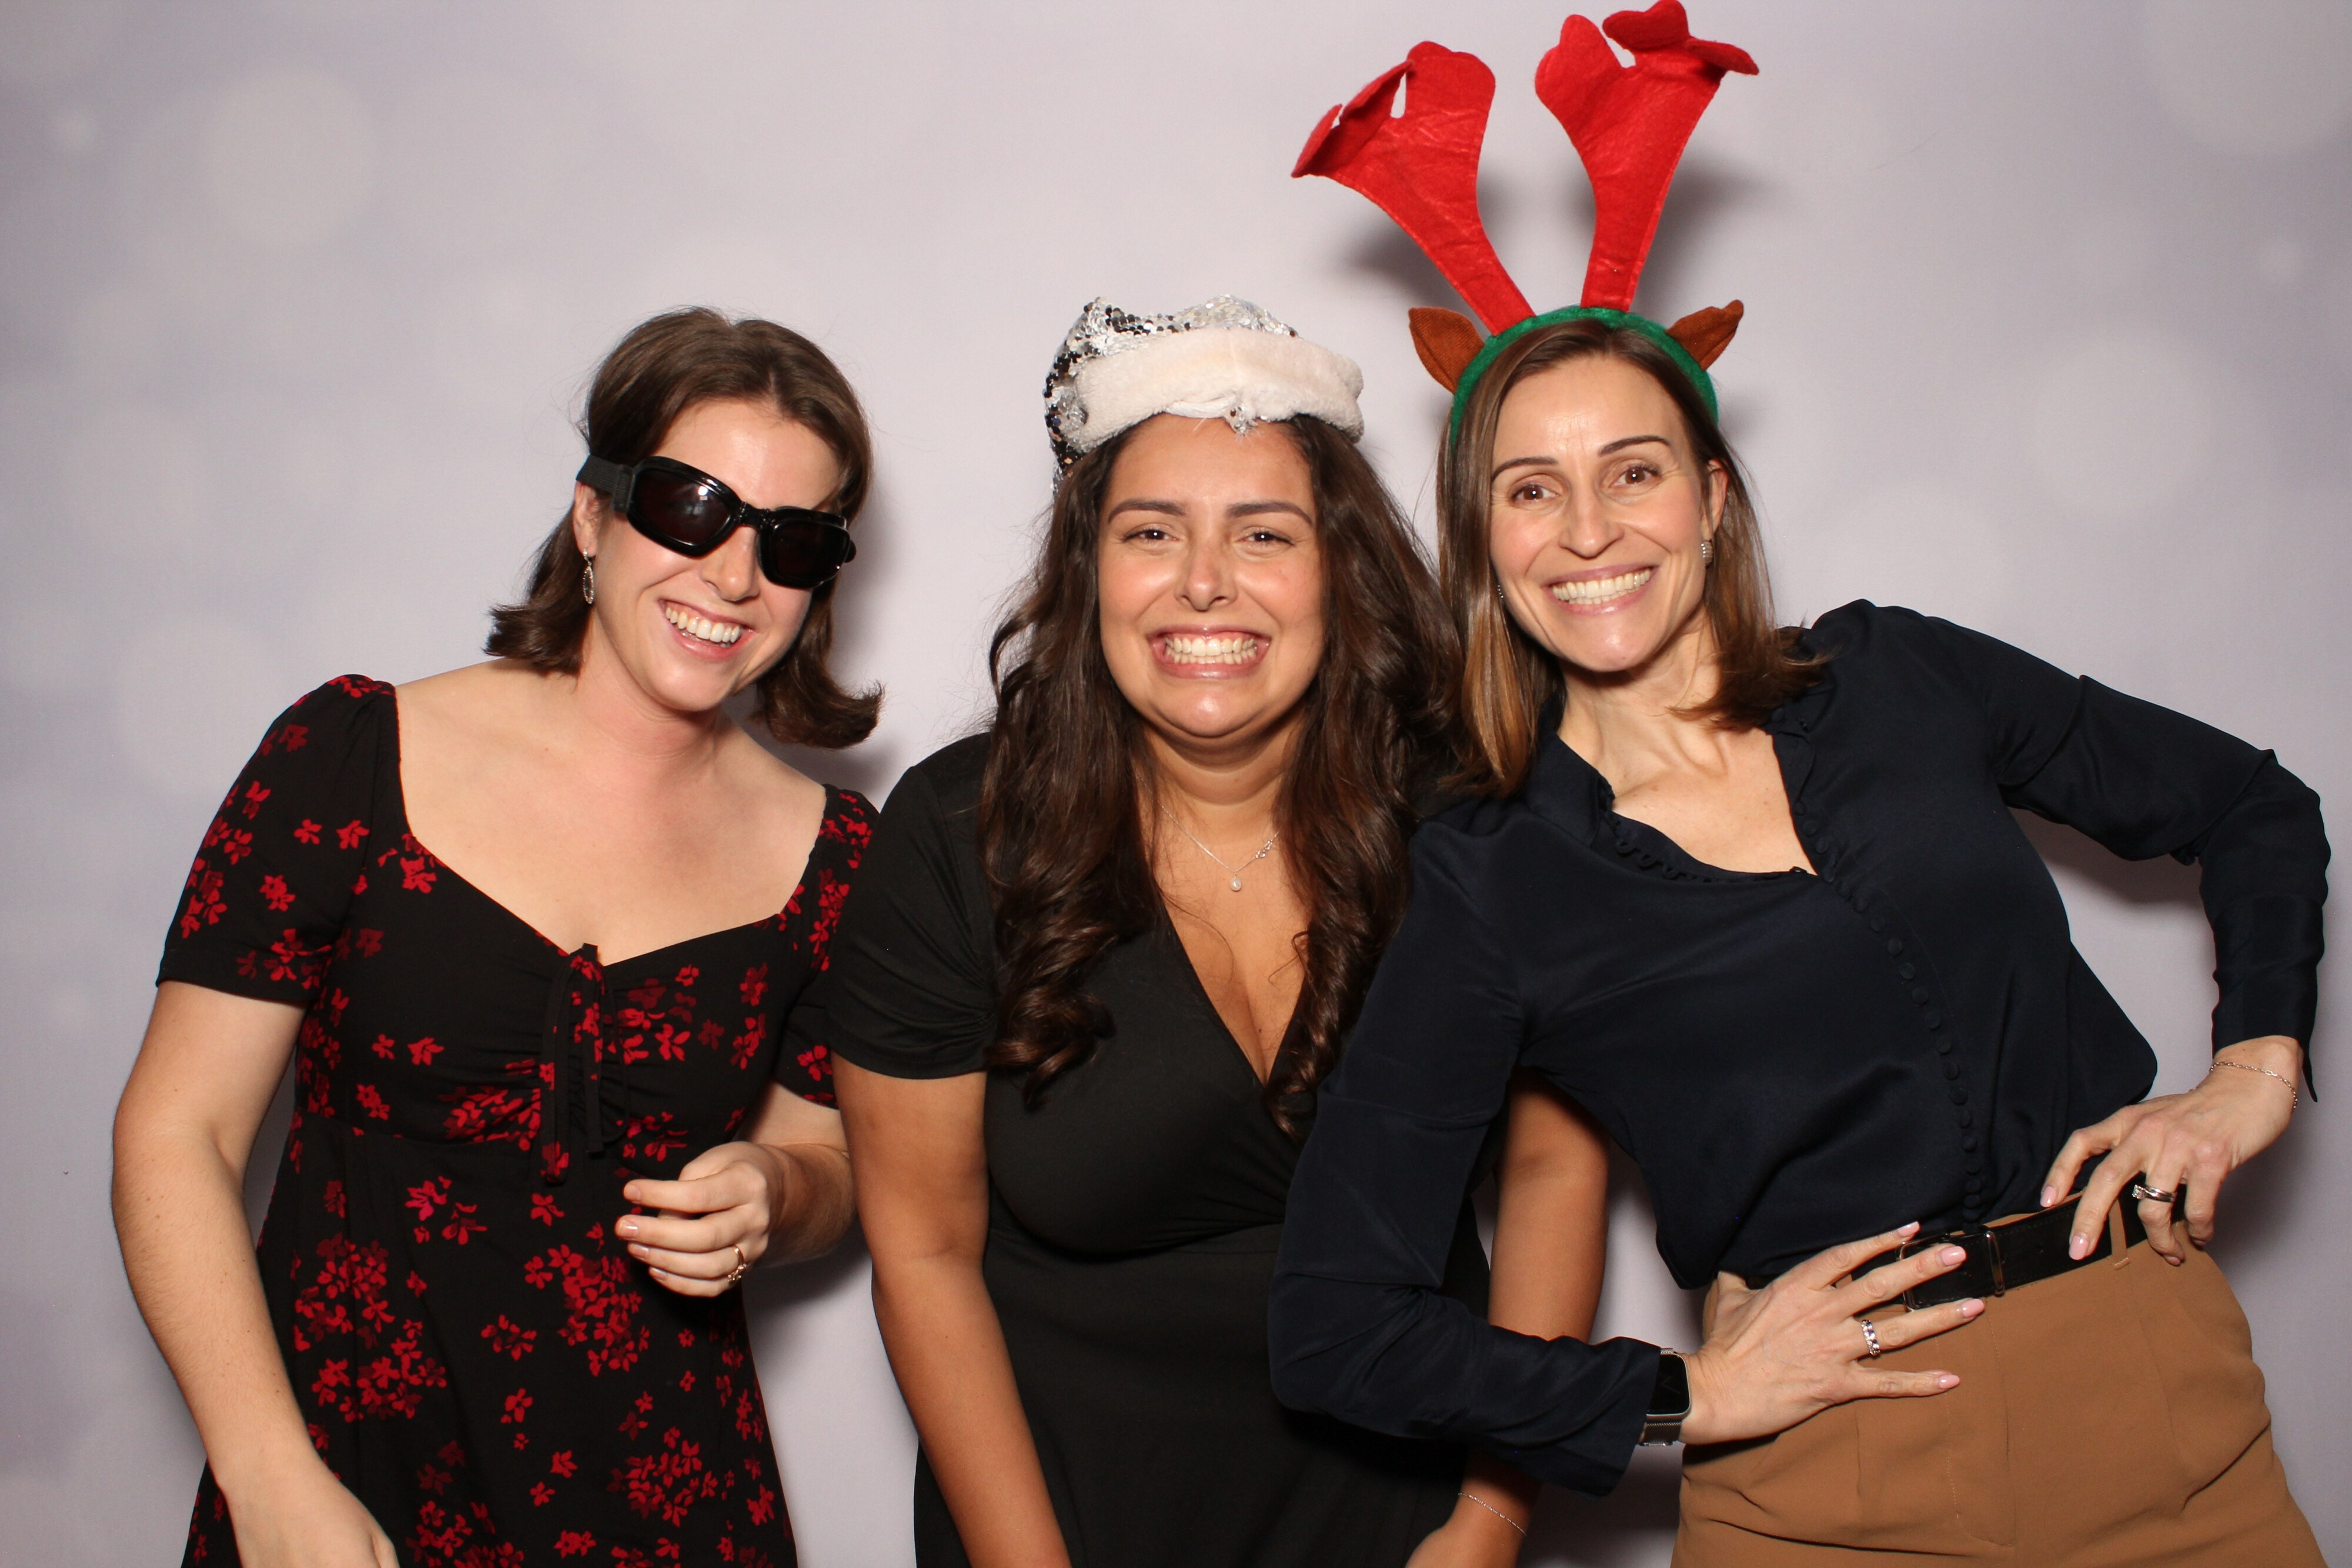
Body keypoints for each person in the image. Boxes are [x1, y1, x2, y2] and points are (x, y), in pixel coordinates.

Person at [1267, 305, 2328, 1563]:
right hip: (1833, 1490)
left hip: (2160, 1410)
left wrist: (2255, 1068)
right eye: (1531, 490)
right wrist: (1681, 1393)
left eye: (1633, 472)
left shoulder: (1900, 676)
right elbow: (1335, 1322)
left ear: (1713, 498)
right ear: (1481, 541)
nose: (1588, 529)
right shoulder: (1491, 878)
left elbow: (2249, 805)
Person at [823, 296, 1602, 1568]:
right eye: (1151, 532)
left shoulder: (1464, 814)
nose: (1203, 581)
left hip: (1411, 1523)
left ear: (1340, 568)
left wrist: (1489, 1520)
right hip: (1068, 1522)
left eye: (1263, 533)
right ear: (1088, 570)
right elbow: (922, 1249)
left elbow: (1552, 1167)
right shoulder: (963, 833)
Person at [112, 307, 881, 1568]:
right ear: (592, 515)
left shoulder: (839, 859)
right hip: (342, 1483)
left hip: (670, 1503)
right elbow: (175, 1136)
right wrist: (267, 1472)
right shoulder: (350, 756)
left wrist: (779, 1191)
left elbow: (829, 1163)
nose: (735, 576)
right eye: (691, 508)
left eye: (791, 540)